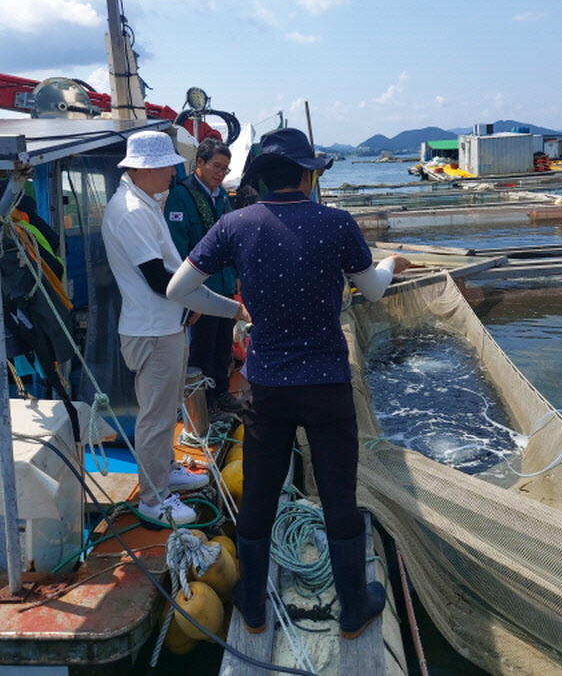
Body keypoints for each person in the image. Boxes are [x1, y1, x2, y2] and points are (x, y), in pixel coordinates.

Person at [166, 127, 410, 637]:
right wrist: (388, 264)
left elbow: (179, 288)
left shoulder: (235, 224)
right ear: (307, 174)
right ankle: (352, 610)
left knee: (258, 492)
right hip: (326, 385)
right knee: (339, 494)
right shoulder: (337, 223)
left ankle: (252, 609)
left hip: (265, 387)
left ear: (259, 177)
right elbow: (372, 291)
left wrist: (232, 308)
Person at [101, 130, 246, 526]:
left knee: (166, 409)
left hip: (166, 324)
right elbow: (157, 277)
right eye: (168, 166)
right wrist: (225, 308)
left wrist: (190, 307)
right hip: (152, 331)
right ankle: (154, 498)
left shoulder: (147, 203)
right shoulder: (131, 211)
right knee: (156, 416)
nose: (173, 172)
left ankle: (164, 471)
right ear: (149, 168)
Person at [165, 137, 241, 415]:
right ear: (199, 163)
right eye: (216, 166)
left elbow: (231, 241)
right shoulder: (181, 196)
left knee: (223, 344)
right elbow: (176, 247)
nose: (221, 173)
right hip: (198, 288)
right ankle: (200, 404)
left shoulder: (220, 196)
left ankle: (220, 393)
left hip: (222, 283)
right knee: (201, 348)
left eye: (225, 169)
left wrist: (235, 277)